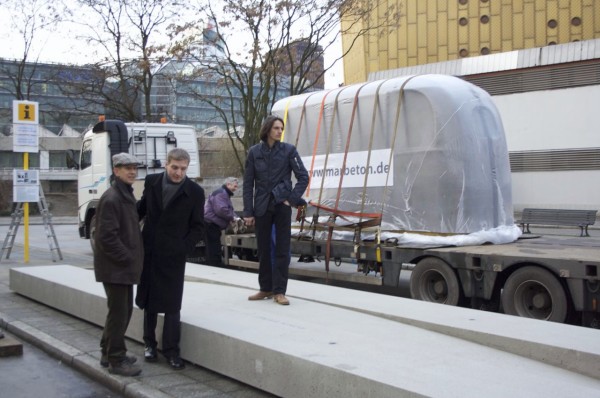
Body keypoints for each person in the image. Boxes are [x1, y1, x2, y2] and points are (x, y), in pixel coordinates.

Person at [135, 148, 205, 370]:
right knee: (149, 301)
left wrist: (183, 248)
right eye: (175, 167)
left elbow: (198, 226)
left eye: (183, 169)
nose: (178, 173)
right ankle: (149, 344)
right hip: (151, 251)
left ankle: (172, 351)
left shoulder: (195, 192)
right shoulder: (152, 181)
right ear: (166, 164)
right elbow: (142, 209)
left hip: (174, 254)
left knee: (173, 305)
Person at [243, 115, 308, 305]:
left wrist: (292, 199)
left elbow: (303, 176)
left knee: (282, 250)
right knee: (263, 250)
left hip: (281, 205)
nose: (280, 131)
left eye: (281, 128)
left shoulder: (289, 150)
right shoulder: (254, 153)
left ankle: (280, 291)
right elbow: (248, 184)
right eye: (276, 128)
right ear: (267, 130)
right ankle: (265, 288)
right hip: (262, 206)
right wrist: (248, 212)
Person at [93, 152, 144, 377]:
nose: (132, 171)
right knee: (119, 314)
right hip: (116, 268)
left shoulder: (124, 195)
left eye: (134, 167)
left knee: (118, 312)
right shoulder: (113, 197)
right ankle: (116, 359)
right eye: (126, 168)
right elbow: (106, 238)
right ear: (116, 171)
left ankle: (107, 352)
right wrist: (128, 258)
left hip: (120, 267)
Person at [204, 177, 238, 267]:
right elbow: (222, 210)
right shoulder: (222, 194)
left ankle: (213, 263)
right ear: (228, 184)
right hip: (211, 223)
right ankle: (215, 265)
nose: (236, 188)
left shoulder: (223, 193)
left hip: (211, 223)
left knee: (213, 245)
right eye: (234, 186)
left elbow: (227, 209)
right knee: (214, 245)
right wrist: (234, 218)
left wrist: (236, 217)